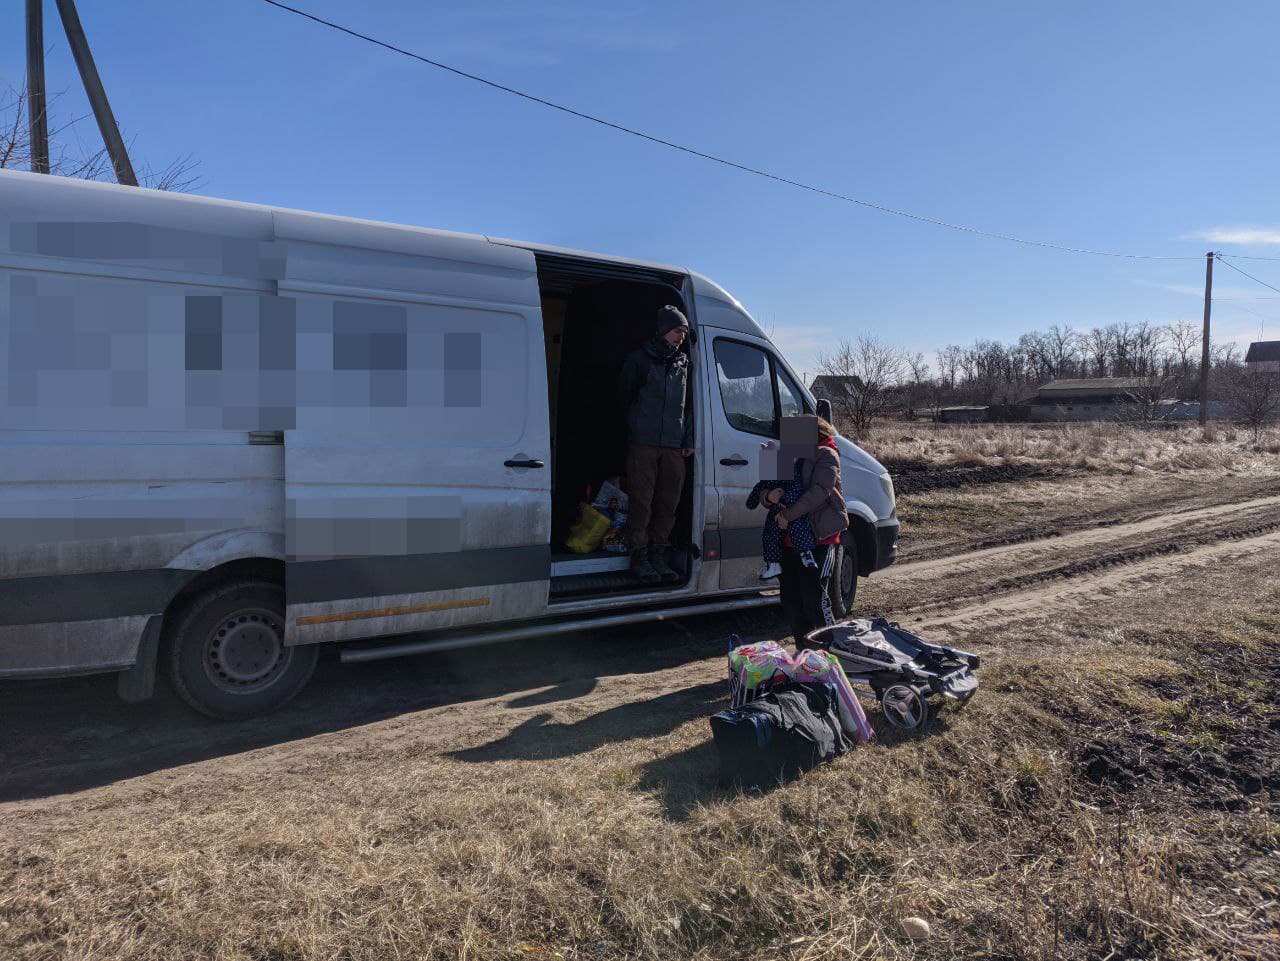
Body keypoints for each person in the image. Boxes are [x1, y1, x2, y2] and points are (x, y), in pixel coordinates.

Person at [618, 305, 694, 584]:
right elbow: (624, 398)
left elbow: (688, 409)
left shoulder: (684, 364)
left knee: (668, 505)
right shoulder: (639, 360)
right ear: (663, 330)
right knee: (642, 503)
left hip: (674, 446)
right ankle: (640, 558)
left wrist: (686, 440)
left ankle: (659, 556)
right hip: (644, 444)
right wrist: (636, 429)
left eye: (684, 333)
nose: (681, 337)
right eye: (677, 331)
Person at [771, 416, 848, 647]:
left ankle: (832, 652)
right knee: (791, 601)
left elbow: (819, 492)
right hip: (787, 540)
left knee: (814, 600)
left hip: (819, 539)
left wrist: (788, 515)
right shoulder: (785, 454)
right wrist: (768, 496)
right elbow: (769, 485)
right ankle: (805, 654)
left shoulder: (827, 454)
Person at [745, 456, 818, 579]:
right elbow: (762, 486)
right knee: (769, 534)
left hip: (793, 507)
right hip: (777, 509)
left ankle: (807, 555)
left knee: (798, 527)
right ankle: (773, 565)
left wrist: (785, 501)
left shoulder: (796, 467)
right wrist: (763, 497)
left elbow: (797, 488)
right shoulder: (777, 469)